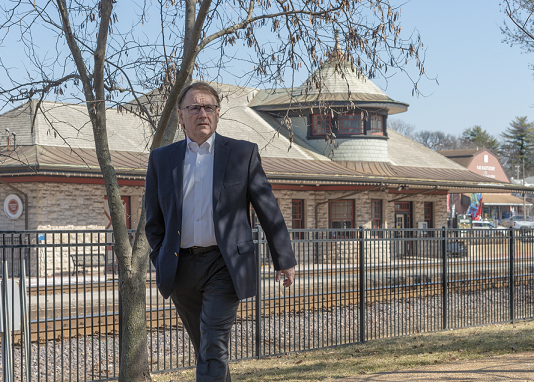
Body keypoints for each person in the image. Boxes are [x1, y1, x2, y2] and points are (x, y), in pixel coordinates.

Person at [145, 82, 297, 382]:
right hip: (180, 268)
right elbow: (154, 220)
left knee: (213, 344)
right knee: (206, 347)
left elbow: (267, 208)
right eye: (195, 107)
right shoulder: (162, 160)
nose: (203, 113)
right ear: (180, 115)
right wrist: (160, 256)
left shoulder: (242, 154)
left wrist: (284, 259)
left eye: (209, 107)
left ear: (218, 113)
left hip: (224, 265)